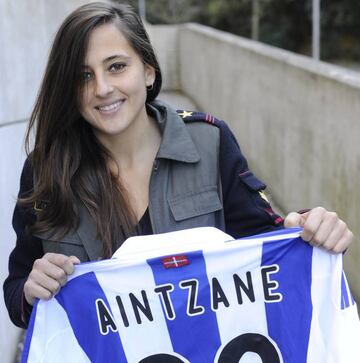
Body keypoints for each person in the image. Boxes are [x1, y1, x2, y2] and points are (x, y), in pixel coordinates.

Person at [3, 1, 353, 329]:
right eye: (83, 76)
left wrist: (309, 229)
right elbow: (17, 294)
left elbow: (269, 245)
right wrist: (31, 290)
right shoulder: (46, 170)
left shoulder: (209, 142)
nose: (103, 88)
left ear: (149, 72)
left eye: (117, 66)